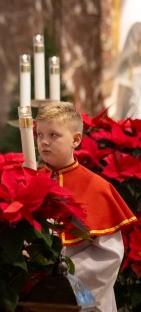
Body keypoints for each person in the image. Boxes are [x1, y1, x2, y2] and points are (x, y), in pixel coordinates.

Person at [36, 102, 137, 312]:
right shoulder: (32, 183)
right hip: (35, 296)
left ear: (76, 139)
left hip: (83, 299)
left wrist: (60, 277)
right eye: (39, 135)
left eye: (53, 135)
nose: (44, 142)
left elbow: (110, 255)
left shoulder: (97, 188)